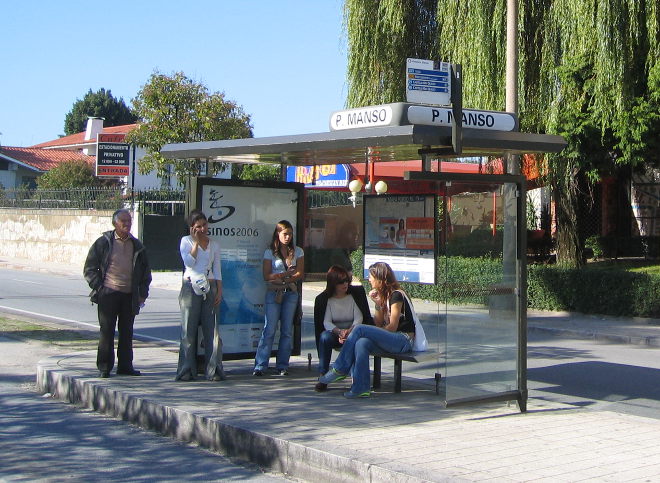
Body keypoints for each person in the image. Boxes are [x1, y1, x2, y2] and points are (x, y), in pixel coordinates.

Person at [318, 262, 415, 398]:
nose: (369, 279)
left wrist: (375, 332)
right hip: (391, 339)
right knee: (361, 343)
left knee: (359, 329)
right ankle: (361, 388)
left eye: (371, 277)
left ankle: (340, 369)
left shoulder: (396, 295)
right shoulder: (384, 296)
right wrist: (378, 304)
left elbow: (392, 327)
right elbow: (377, 323)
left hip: (403, 339)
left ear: (380, 278)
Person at [84, 209, 152, 378]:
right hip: (108, 293)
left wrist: (142, 293)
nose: (127, 224)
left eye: (129, 221)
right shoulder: (103, 243)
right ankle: (104, 367)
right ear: (115, 223)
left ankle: (125, 366)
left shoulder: (137, 246)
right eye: (123, 221)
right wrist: (100, 288)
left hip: (129, 295)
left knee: (127, 331)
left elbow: (146, 273)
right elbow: (90, 268)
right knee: (106, 330)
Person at [175, 210, 225, 381]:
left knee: (212, 330)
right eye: (198, 227)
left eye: (204, 225)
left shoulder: (215, 245)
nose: (203, 229)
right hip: (191, 285)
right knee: (188, 329)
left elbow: (217, 269)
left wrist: (219, 289)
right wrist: (196, 243)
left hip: (209, 285)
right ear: (192, 228)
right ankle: (186, 369)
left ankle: (214, 369)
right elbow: (189, 262)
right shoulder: (186, 241)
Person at [253, 220, 304, 376]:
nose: (287, 237)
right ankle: (260, 365)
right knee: (269, 329)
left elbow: (299, 273)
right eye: (284, 234)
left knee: (287, 330)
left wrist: (284, 280)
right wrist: (285, 274)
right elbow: (266, 275)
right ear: (278, 234)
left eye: (289, 234)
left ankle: (282, 365)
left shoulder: (298, 251)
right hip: (274, 293)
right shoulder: (270, 252)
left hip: (290, 292)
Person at [313, 265, 372, 392]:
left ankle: (354, 378)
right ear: (333, 283)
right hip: (336, 333)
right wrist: (339, 332)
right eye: (341, 282)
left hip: (354, 332)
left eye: (347, 281)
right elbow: (326, 322)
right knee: (324, 337)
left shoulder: (354, 295)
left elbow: (359, 318)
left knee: (358, 342)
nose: (345, 284)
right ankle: (323, 375)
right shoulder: (325, 299)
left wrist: (349, 331)